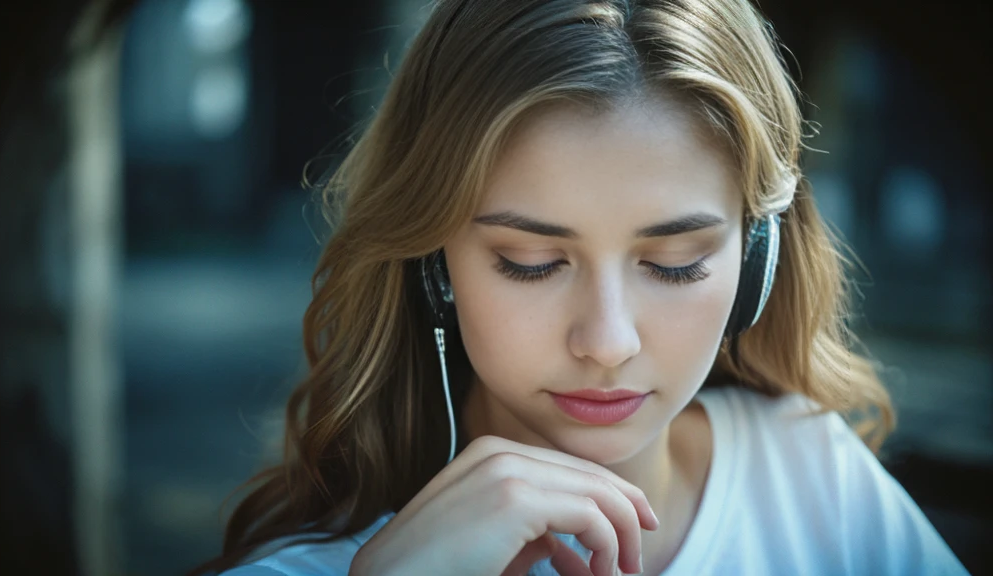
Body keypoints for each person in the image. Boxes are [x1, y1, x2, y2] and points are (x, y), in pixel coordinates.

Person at [189, 0, 969, 574]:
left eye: (676, 263)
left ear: (756, 262)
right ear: (433, 265)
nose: (606, 343)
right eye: (530, 261)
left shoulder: (810, 471)